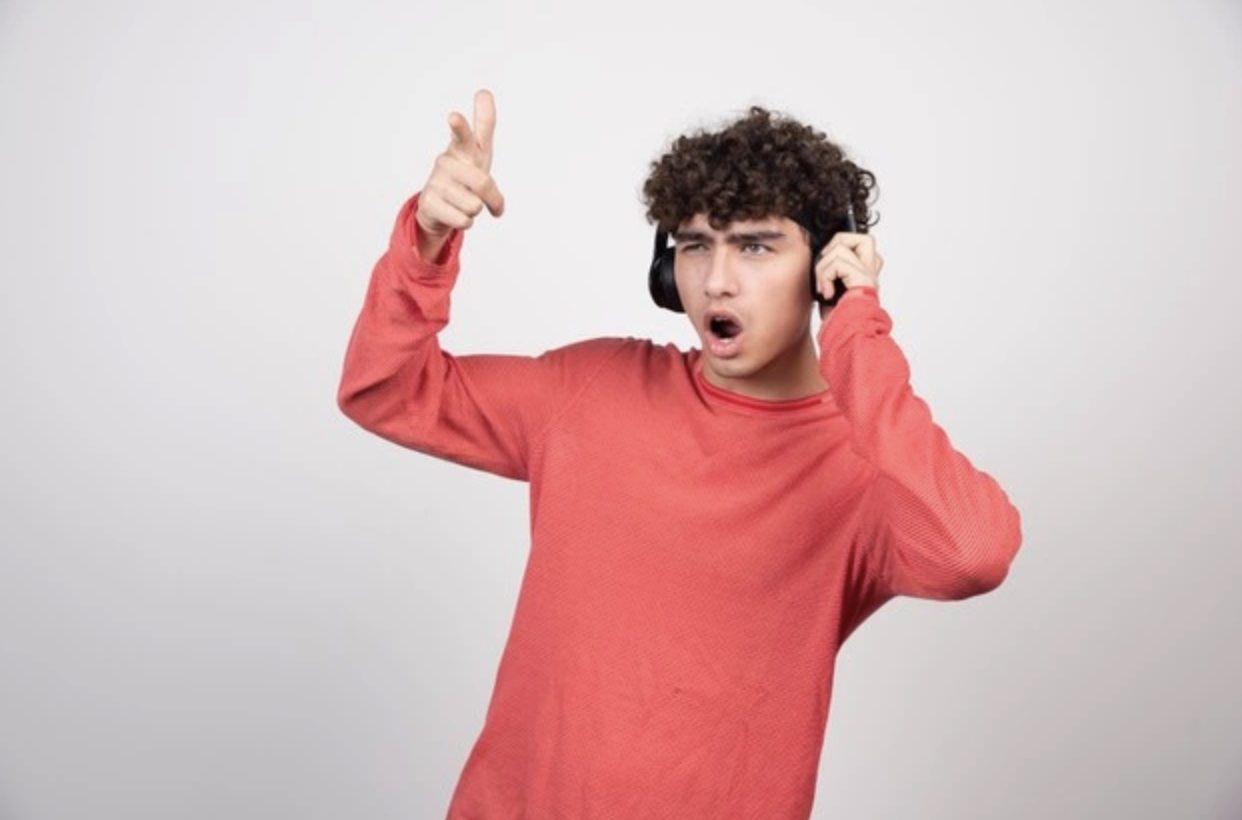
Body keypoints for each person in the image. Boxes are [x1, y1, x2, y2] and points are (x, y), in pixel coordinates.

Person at [338, 88, 1022, 819]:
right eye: (696, 246)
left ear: (824, 265)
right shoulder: (592, 388)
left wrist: (855, 327)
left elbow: (973, 553)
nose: (716, 281)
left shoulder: (864, 466)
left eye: (755, 245)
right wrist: (427, 242)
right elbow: (386, 390)